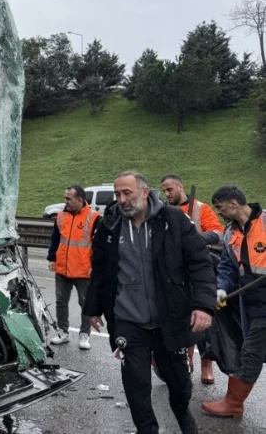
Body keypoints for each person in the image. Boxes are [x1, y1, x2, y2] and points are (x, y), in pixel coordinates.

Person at [84, 171, 214, 434]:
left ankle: (182, 414)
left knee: (179, 385)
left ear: (144, 192)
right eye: (117, 194)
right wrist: (93, 308)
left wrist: (203, 305)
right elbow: (99, 270)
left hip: (169, 318)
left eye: (127, 193)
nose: (121, 199)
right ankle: (147, 430)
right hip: (128, 320)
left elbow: (200, 263)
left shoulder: (173, 219)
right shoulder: (109, 226)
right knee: (136, 384)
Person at [201, 186, 266, 417]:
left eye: (219, 207)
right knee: (253, 350)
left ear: (233, 203)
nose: (218, 212)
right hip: (248, 301)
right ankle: (234, 401)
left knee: (251, 352)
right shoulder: (230, 234)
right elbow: (228, 267)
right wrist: (220, 288)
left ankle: (234, 402)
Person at [160, 174, 224, 385]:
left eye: (170, 189)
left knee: (203, 320)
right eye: (164, 191)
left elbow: (218, 233)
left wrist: (192, 239)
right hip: (175, 275)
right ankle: (185, 362)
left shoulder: (200, 209)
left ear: (180, 187)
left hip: (198, 271)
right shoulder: (163, 212)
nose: (167, 194)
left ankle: (207, 363)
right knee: (180, 320)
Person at [46, 185, 100, 350]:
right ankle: (63, 332)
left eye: (69, 198)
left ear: (80, 199)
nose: (65, 201)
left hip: (83, 269)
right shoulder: (61, 216)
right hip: (62, 267)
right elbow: (55, 238)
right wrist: (52, 258)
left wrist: (95, 266)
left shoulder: (94, 217)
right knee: (61, 301)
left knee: (85, 303)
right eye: (65, 198)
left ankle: (84, 335)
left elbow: (99, 246)